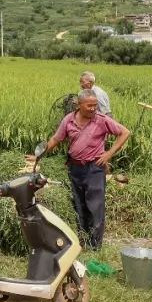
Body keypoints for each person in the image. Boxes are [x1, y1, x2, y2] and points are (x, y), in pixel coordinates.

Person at [44, 89, 129, 250]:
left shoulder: (102, 120)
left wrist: (108, 154)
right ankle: (82, 241)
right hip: (75, 168)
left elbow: (125, 132)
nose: (93, 109)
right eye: (89, 105)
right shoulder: (69, 120)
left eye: (95, 105)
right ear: (79, 104)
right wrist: (39, 155)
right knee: (79, 205)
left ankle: (95, 246)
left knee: (95, 207)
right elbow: (56, 138)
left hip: (94, 169)